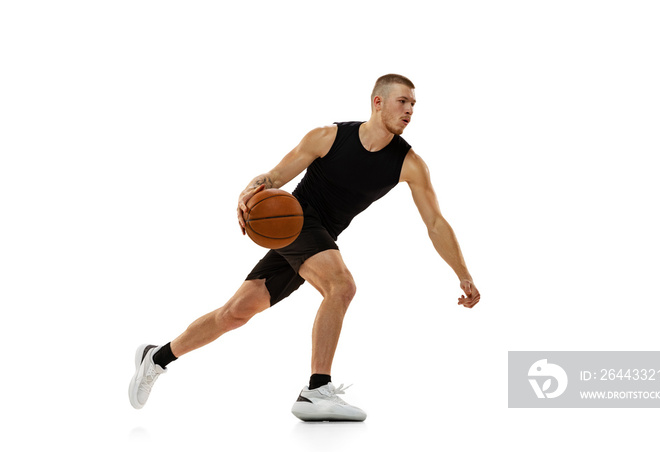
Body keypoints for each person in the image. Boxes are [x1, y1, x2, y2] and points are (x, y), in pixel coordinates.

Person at [128, 74, 480, 421]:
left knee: (234, 312)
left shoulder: (409, 164)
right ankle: (316, 390)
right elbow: (273, 178)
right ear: (378, 102)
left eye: (413, 104)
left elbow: (435, 223)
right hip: (294, 221)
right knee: (341, 286)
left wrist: (463, 274)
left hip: (318, 238)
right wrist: (247, 192)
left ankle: (156, 357)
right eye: (403, 101)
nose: (410, 110)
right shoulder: (328, 137)